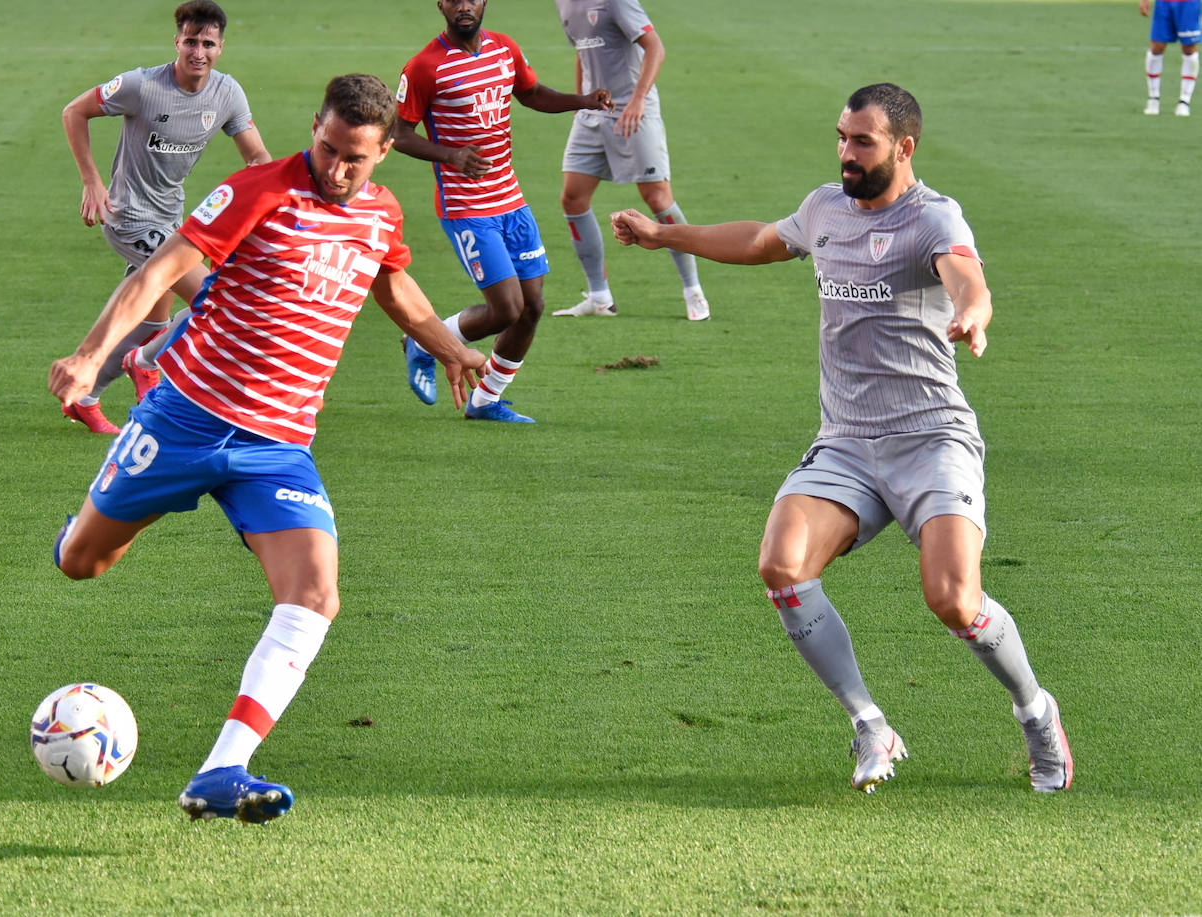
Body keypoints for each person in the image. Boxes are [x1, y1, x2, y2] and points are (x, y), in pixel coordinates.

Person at [48, 74, 488, 823]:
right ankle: (88, 517)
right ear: (314, 125)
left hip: (278, 444)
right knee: (82, 562)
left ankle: (221, 770)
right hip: (184, 419)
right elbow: (159, 271)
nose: (336, 168)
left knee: (316, 594)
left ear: (385, 150)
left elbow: (393, 284)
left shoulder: (381, 213)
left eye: (354, 158)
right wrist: (91, 357)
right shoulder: (258, 190)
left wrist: (453, 347)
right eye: (327, 148)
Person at [610, 83, 1073, 794]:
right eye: (841, 137)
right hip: (847, 441)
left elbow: (967, 276)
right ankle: (868, 722)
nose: (845, 152)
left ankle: (1036, 711)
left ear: (903, 147)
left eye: (862, 141)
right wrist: (664, 233)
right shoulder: (826, 207)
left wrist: (974, 313)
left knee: (954, 599)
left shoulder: (932, 216)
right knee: (782, 565)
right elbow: (762, 241)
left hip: (930, 438)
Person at [394, 0, 613, 423]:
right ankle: (422, 341)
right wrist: (451, 155)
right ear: (441, 4)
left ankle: (485, 400)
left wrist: (582, 100)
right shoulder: (424, 67)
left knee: (533, 306)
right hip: (466, 207)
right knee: (506, 309)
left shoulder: (504, 48)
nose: (464, 6)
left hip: (511, 200)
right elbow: (399, 134)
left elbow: (531, 93)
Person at [59, 0, 271, 433]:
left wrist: (268, 209)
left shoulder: (226, 93)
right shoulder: (141, 86)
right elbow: (74, 111)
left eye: (208, 44)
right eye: (190, 42)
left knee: (152, 322)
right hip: (129, 218)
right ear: (176, 42)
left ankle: (86, 396)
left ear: (220, 48)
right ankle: (149, 365)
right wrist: (91, 181)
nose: (198, 52)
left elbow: (257, 158)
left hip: (174, 219)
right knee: (213, 300)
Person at [549, 0, 709, 321]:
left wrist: (637, 100)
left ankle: (693, 291)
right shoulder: (563, 2)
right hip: (593, 112)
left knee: (657, 199)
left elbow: (655, 48)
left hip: (634, 111)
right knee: (572, 198)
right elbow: (583, 51)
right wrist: (581, 101)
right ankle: (599, 298)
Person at [1142, 0, 1201, 115]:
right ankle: (1153, 98)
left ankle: (1184, 101)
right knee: (1157, 47)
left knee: (1189, 49)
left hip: (1189, 3)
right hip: (1163, 3)